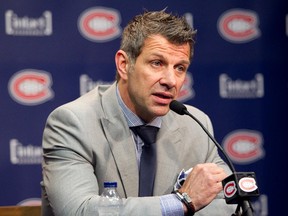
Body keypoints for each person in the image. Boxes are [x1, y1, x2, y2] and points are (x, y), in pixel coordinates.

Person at [41, 10, 236, 215]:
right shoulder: (73, 123)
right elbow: (79, 210)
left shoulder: (196, 124)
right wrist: (180, 203)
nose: (170, 80)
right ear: (124, 65)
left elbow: (228, 200)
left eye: (180, 67)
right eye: (157, 63)